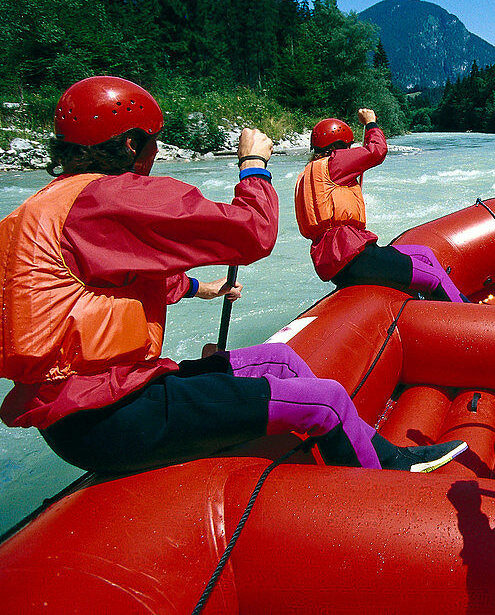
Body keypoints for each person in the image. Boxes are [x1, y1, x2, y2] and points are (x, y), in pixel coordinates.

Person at [0, 76, 466, 475]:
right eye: (152, 144)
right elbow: (254, 234)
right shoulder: (105, 199)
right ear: (129, 144)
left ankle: (367, 450)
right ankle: (388, 482)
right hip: (108, 415)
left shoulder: (47, 207)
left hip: (98, 402)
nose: (155, 155)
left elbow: (111, 284)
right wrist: (254, 165)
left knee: (279, 362)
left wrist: (203, 288)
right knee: (326, 400)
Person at [295, 109, 465, 302]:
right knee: (432, 278)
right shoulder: (334, 163)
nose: (350, 152)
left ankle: (458, 305)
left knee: (424, 254)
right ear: (339, 146)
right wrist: (370, 123)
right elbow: (377, 150)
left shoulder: (307, 175)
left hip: (337, 259)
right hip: (352, 257)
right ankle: (468, 315)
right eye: (348, 147)